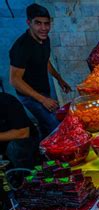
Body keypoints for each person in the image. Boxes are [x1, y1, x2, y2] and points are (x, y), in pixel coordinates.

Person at [9, 3, 71, 139]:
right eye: (38, 23)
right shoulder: (21, 47)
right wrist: (43, 100)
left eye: (46, 24)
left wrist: (59, 79)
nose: (43, 28)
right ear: (29, 23)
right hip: (30, 96)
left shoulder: (44, 39)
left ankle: (43, 152)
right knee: (56, 127)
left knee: (45, 127)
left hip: (43, 91)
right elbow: (14, 80)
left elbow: (45, 61)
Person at [0, 92, 39, 169]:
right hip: (4, 145)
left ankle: (27, 178)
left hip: (24, 141)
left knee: (14, 148)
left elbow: (23, 133)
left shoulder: (6, 100)